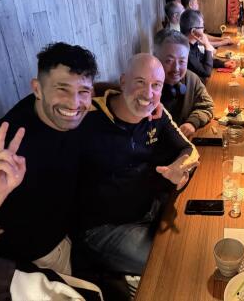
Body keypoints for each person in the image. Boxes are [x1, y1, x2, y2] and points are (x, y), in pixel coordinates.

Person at [73, 54, 199, 275]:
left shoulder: (156, 113)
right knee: (169, 269)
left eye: (156, 85)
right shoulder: (87, 117)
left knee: (194, 245)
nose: (148, 94)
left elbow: (190, 150)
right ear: (123, 82)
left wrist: (179, 166)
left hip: (149, 211)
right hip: (103, 228)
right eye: (139, 82)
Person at [0, 42, 99, 275]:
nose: (74, 103)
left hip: (76, 233)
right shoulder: (8, 140)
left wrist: (150, 107)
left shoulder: (81, 114)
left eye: (83, 91)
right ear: (37, 89)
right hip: (40, 257)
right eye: (62, 89)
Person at [154, 29, 214, 140]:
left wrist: (192, 122)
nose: (176, 68)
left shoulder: (191, 78)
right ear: (155, 58)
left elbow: (207, 106)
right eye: (169, 61)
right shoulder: (147, 87)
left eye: (182, 61)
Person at [180, 9, 235, 82]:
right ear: (193, 31)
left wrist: (223, 63)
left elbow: (202, 58)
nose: (203, 29)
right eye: (202, 26)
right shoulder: (185, 50)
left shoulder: (192, 44)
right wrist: (207, 46)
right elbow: (206, 72)